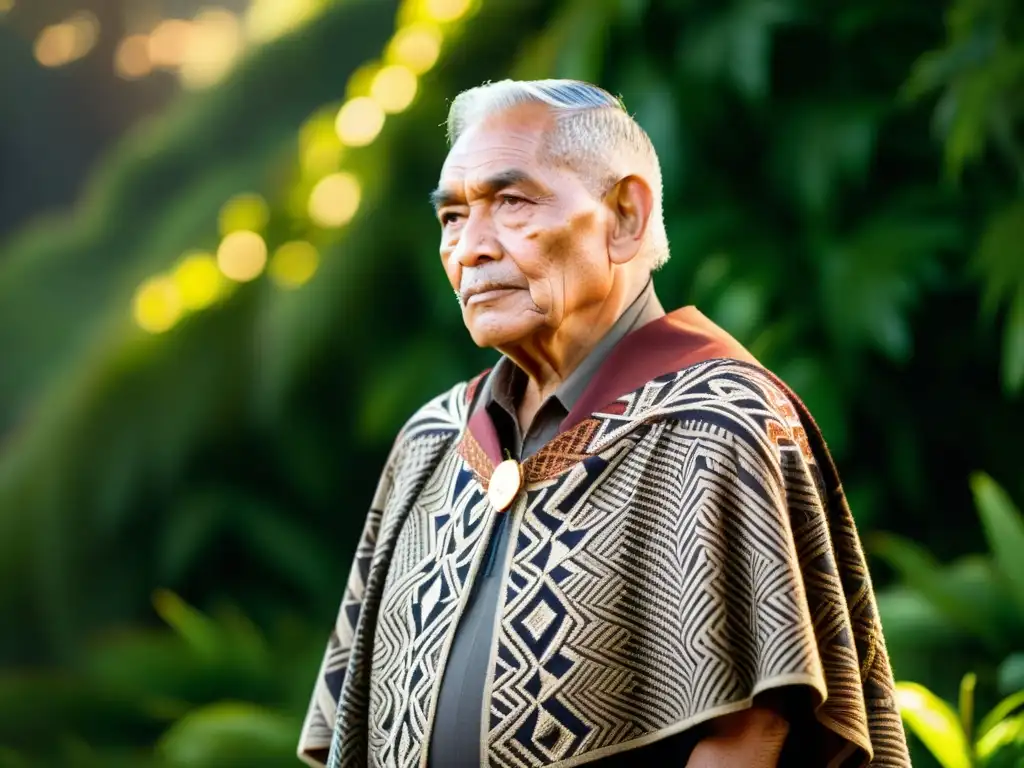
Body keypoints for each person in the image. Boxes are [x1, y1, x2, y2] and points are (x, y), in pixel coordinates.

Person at [298, 79, 911, 768]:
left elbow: (751, 734)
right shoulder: (431, 442)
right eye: (451, 218)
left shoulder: (718, 429)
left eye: (511, 203)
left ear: (624, 216)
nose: (469, 248)